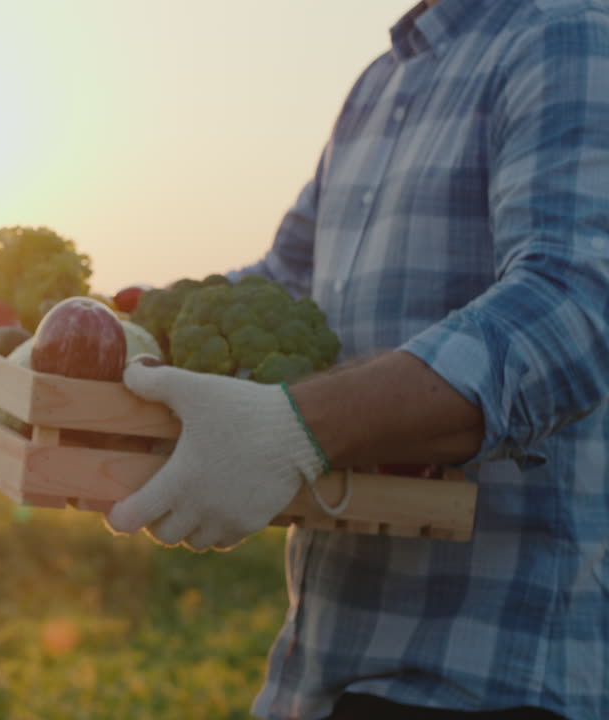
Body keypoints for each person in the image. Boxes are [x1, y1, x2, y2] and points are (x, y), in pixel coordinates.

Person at [103, 1, 609, 718]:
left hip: (489, 681)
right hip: (327, 665)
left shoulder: (567, 33)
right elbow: (286, 281)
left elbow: (573, 307)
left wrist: (292, 427)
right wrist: (118, 322)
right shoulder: (381, 82)